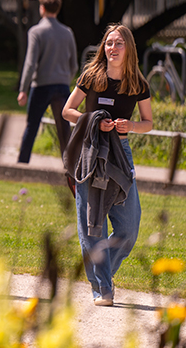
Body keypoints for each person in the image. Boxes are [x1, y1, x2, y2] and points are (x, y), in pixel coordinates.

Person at [62, 23, 152, 307]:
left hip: (121, 153)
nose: (112, 48)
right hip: (90, 151)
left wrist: (131, 126)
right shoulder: (91, 75)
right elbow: (67, 111)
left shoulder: (138, 83)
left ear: (129, 49)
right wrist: (93, 121)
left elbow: (148, 123)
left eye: (118, 43)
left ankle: (103, 274)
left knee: (128, 227)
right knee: (91, 224)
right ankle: (102, 287)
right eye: (109, 43)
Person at [17, 0, 78, 163]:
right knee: (64, 129)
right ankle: (70, 165)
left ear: (42, 8)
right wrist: (66, 79)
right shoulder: (67, 32)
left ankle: (22, 162)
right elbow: (74, 65)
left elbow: (30, 63)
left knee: (32, 126)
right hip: (62, 86)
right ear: (58, 10)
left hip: (41, 85)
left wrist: (23, 89)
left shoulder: (36, 31)